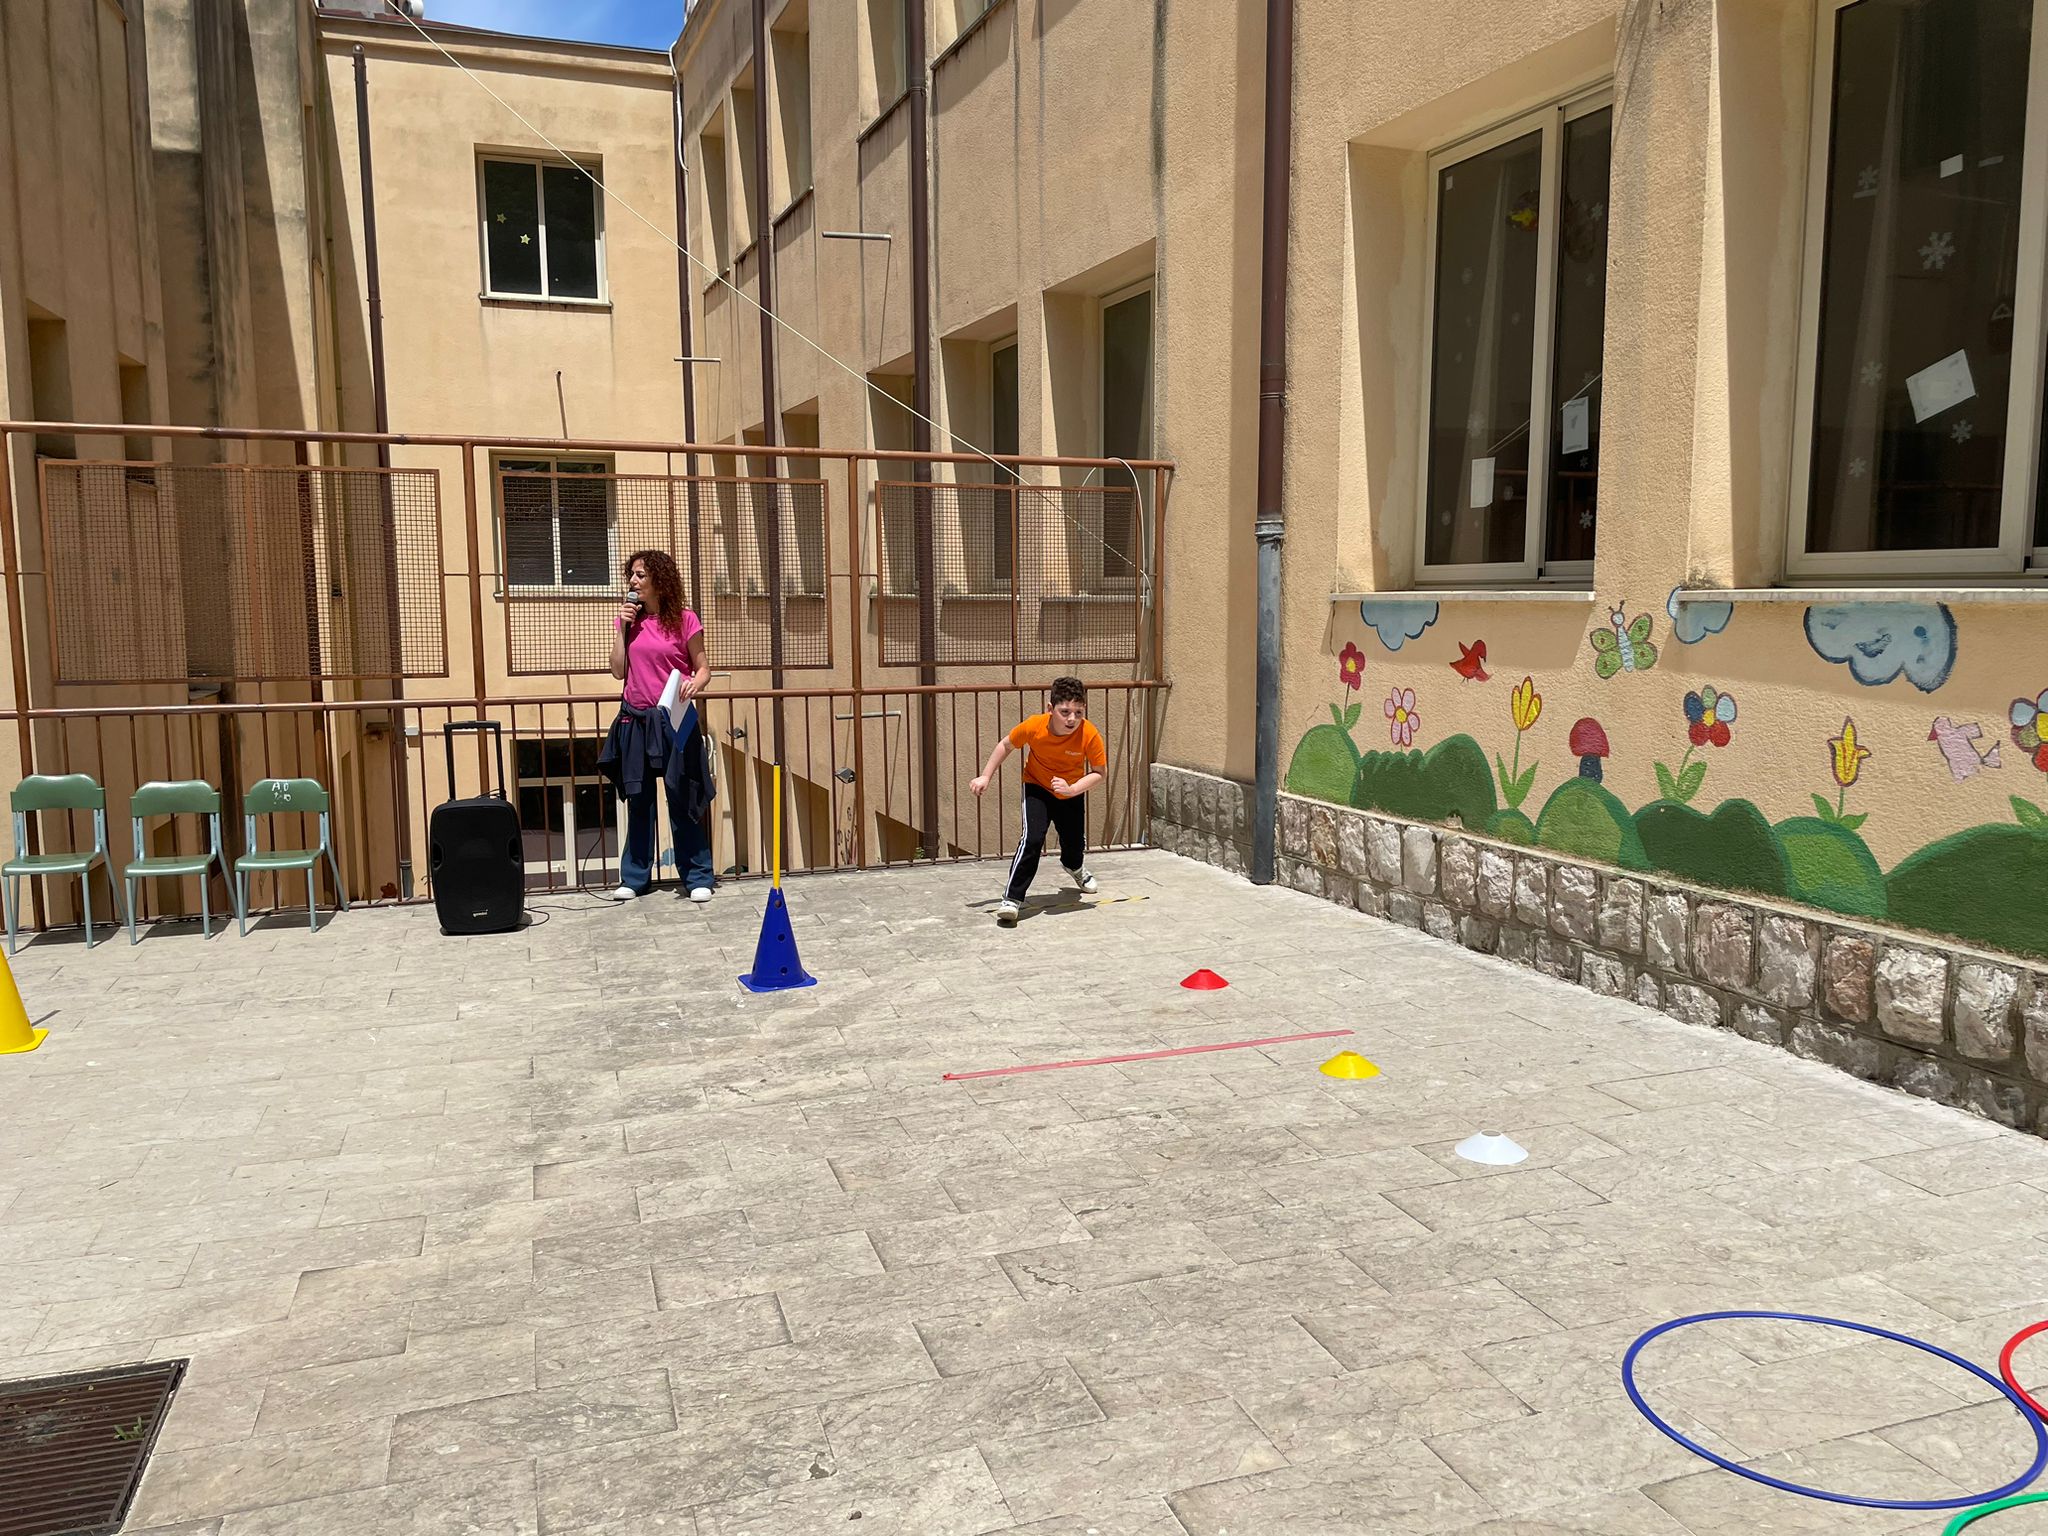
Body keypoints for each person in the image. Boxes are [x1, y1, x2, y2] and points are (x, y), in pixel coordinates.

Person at [597, 549, 715, 903]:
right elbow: (618, 670)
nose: (633, 581)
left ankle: (697, 877)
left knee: (682, 797)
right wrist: (622, 628)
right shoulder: (628, 622)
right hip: (636, 720)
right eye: (631, 575)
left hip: (673, 720)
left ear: (659, 581)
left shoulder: (685, 619)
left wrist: (695, 683)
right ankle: (635, 878)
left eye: (640, 575)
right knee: (639, 801)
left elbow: (703, 668)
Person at [970, 676, 1106, 926]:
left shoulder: (1089, 733)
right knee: (1032, 839)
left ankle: (1075, 868)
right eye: (1065, 712)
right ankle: (1012, 898)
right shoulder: (1034, 726)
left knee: (1074, 844)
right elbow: (1005, 745)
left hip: (1070, 792)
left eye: (1078, 712)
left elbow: (1099, 772)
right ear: (1050, 709)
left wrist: (1072, 789)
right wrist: (985, 776)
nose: (1072, 719)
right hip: (1037, 787)